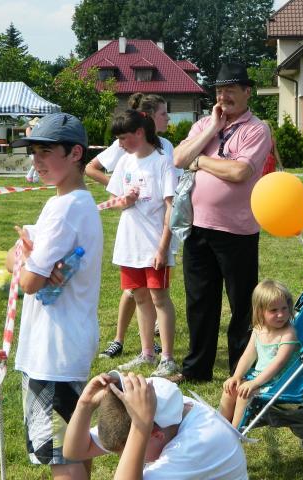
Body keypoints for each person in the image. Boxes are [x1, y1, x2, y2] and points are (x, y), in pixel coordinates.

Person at [4, 113, 103, 479]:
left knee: (61, 455)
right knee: (74, 445)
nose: (37, 161)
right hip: (67, 344)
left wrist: (28, 265)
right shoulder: (71, 203)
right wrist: (26, 260)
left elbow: (28, 281)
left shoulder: (64, 209)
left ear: (75, 153)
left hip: (53, 351)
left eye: (46, 151)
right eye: (33, 152)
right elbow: (15, 255)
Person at [172, 62, 272, 383]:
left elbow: (240, 172)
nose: (223, 96)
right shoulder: (204, 124)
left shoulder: (256, 129)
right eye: (218, 90)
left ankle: (239, 371)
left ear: (247, 91)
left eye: (230, 90)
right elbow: (178, 158)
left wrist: (200, 160)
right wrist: (212, 129)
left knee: (241, 305)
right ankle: (196, 369)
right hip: (198, 227)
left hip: (237, 231)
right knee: (199, 301)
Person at [95, 94, 179, 361]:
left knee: (159, 298)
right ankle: (147, 353)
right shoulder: (125, 161)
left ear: (140, 133)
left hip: (154, 244)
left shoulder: (163, 160)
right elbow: (117, 200)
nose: (120, 144)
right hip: (129, 244)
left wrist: (163, 247)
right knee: (140, 296)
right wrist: (125, 200)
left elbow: (171, 207)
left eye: (123, 138)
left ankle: (167, 357)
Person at [63, 371, 248, 479]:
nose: (124, 459)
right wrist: (85, 405)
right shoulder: (171, 415)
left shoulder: (196, 444)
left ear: (156, 435)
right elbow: (74, 452)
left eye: (124, 452)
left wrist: (140, 427)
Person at [219, 279, 300, 427]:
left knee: (244, 394)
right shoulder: (258, 329)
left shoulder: (288, 334)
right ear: (260, 311)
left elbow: (278, 363)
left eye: (284, 308)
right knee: (230, 390)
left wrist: (255, 383)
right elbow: (248, 356)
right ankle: (219, 427)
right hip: (260, 377)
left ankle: (234, 433)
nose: (281, 314)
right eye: (273, 310)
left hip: (279, 381)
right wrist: (237, 376)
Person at [25, 117, 40, 183]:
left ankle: (34, 178)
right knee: (36, 163)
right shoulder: (28, 129)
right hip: (31, 148)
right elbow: (30, 138)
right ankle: (30, 176)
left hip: (37, 148)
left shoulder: (38, 129)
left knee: (37, 163)